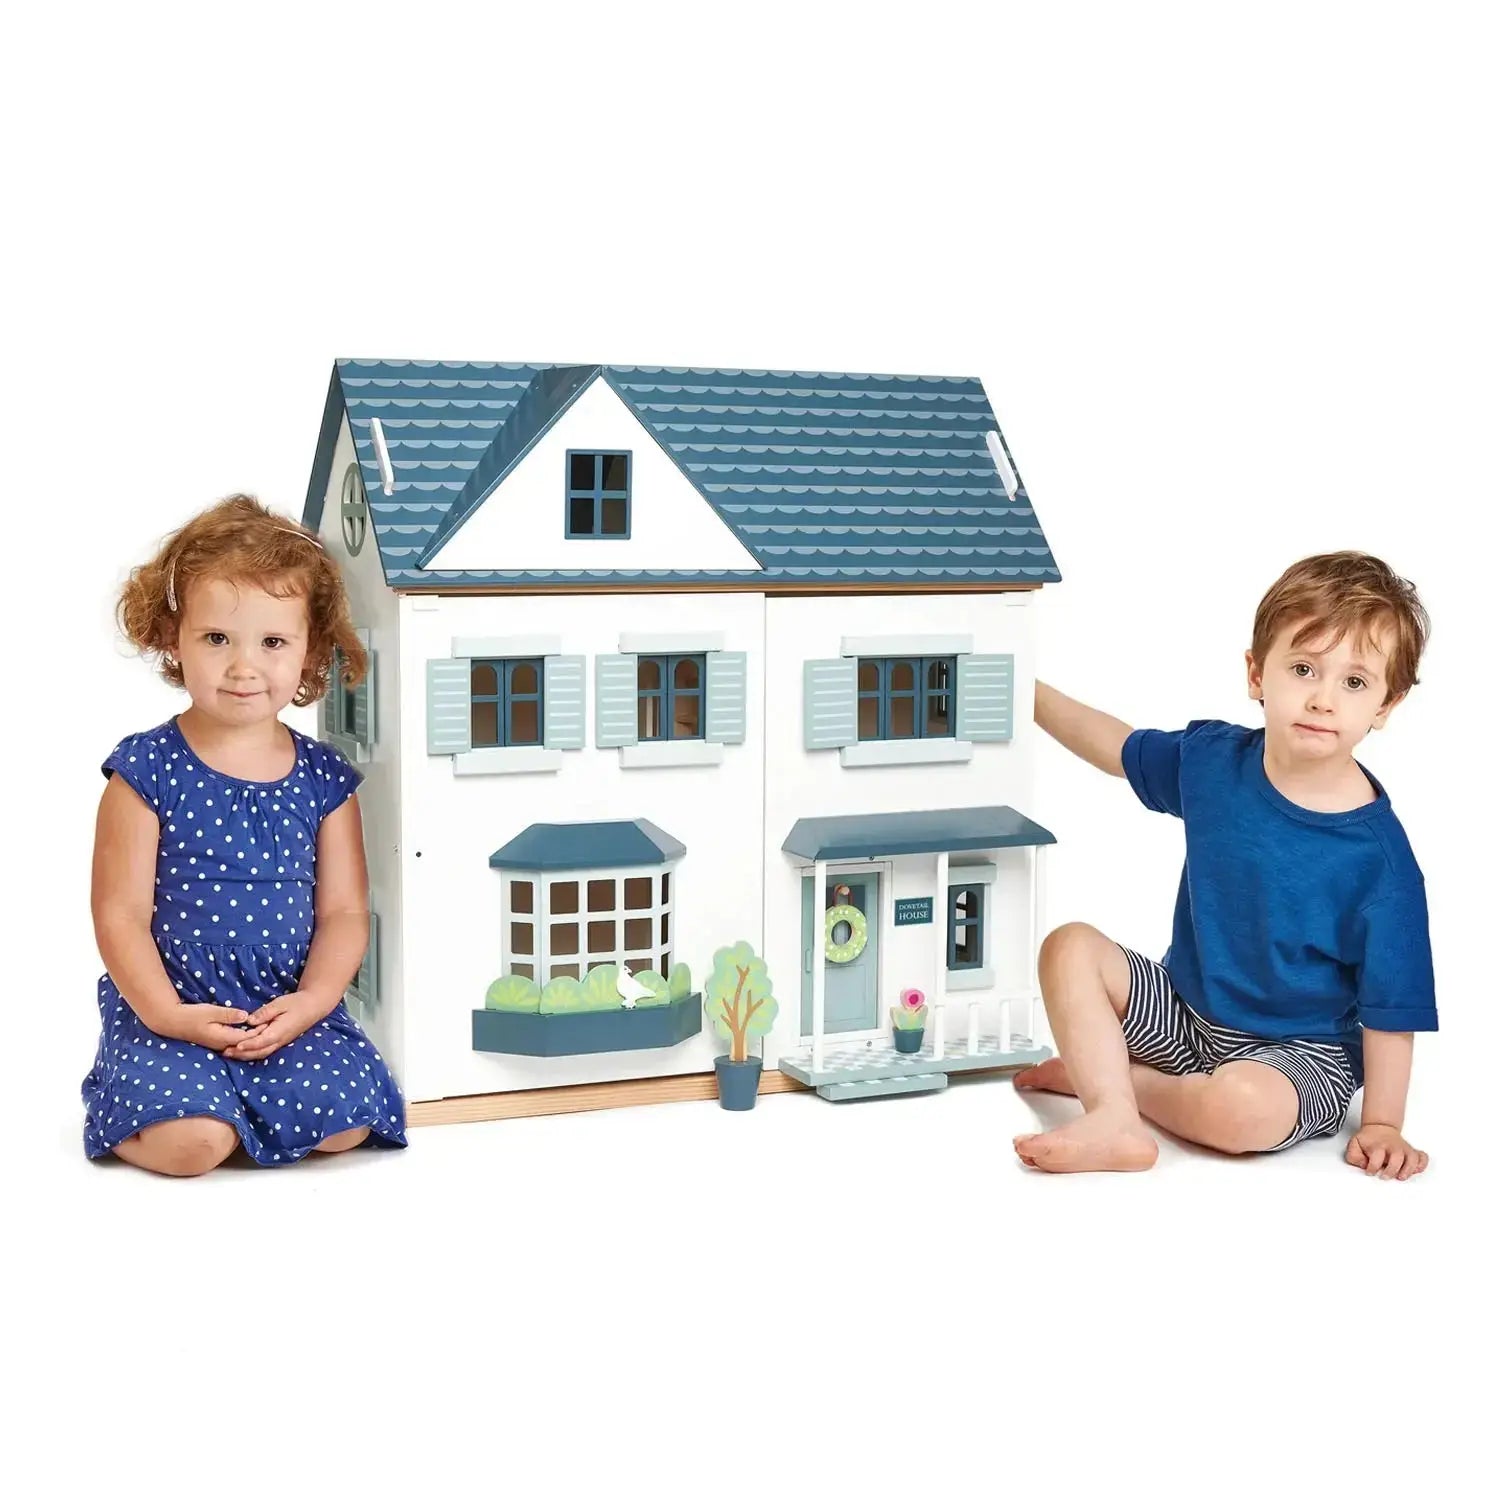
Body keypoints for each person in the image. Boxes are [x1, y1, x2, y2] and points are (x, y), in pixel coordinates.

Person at [1013, 551, 1435, 1179]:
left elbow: (1391, 1010)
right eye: (1303, 668)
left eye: (1353, 682)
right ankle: (1114, 1116)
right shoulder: (1214, 763)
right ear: (1257, 674)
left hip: (1299, 1055)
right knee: (1069, 946)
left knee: (1240, 1113)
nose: (1323, 699)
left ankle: (1120, 1083)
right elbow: (1115, 746)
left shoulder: (1382, 864)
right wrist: (1021, 687)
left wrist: (1381, 1123)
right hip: (1184, 1012)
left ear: (1385, 705)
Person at [84, 494, 408, 1174]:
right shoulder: (145, 771)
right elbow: (119, 914)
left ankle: (245, 1107)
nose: (243, 666)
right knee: (193, 1146)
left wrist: (313, 1002)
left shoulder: (322, 779)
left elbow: (344, 912)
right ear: (174, 638)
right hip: (169, 1003)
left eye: (273, 642)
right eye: (216, 638)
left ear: (309, 650)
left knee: (348, 1122)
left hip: (280, 1008)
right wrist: (168, 1015)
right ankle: (160, 1107)